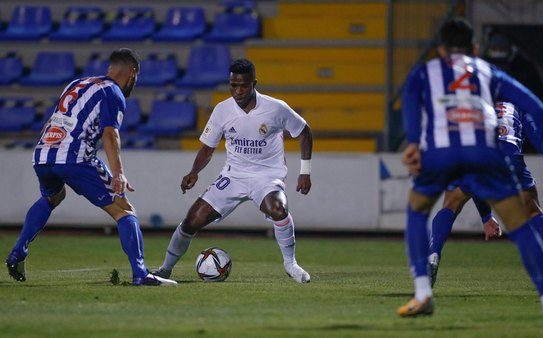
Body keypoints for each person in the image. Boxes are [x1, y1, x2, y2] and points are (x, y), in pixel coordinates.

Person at [396, 17, 543, 326]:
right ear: (475, 49)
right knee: (523, 221)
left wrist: (413, 142)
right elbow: (538, 110)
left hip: (444, 152)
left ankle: (423, 291)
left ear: (440, 50)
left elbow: (410, 101)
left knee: (419, 209)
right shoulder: (489, 73)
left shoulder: (425, 72)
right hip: (489, 153)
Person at [5, 48, 177, 287]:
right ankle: (141, 274)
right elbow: (110, 134)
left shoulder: (79, 83)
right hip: (74, 157)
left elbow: (53, 118)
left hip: (43, 153)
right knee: (124, 209)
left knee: (53, 196)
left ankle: (18, 252)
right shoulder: (113, 92)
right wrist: (118, 174)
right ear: (132, 73)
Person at [152, 58, 313, 283]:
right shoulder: (222, 110)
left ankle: (291, 264)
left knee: (278, 208)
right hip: (233, 176)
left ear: (254, 83)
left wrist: (305, 171)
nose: (238, 91)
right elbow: (208, 148)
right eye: (233, 85)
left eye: (243, 86)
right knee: (192, 220)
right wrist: (194, 172)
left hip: (266, 176)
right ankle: (165, 269)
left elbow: (304, 132)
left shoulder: (275, 108)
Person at [427, 101, 543, 296]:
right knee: (533, 211)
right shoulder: (517, 105)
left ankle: (433, 254)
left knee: (452, 202)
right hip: (508, 157)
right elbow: (534, 132)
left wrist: (485, 217)